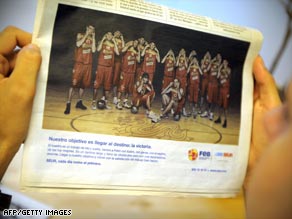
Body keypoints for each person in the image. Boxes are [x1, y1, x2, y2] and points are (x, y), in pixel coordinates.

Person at [0, 27, 291, 218]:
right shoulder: (138, 67)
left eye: (289, 115)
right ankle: (88, 104)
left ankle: (173, 112)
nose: (271, 120)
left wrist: (2, 142)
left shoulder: (172, 76)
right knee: (125, 92)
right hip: (111, 75)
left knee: (174, 99)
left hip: (163, 97)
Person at [64, 25, 96, 114]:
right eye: (89, 28)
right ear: (86, 28)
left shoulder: (92, 38)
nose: (91, 30)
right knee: (73, 85)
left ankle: (79, 102)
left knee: (83, 85)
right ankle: (68, 104)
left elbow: (93, 50)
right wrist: (86, 34)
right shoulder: (80, 35)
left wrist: (94, 37)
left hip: (88, 65)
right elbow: (78, 44)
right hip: (79, 64)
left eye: (92, 29)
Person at [91, 32, 119, 110]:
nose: (110, 36)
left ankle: (106, 102)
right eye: (108, 35)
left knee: (107, 87)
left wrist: (115, 42)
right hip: (101, 66)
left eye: (111, 35)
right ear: (106, 36)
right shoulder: (102, 42)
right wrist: (103, 39)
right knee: (96, 85)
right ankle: (93, 102)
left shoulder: (113, 45)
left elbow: (117, 52)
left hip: (109, 68)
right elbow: (98, 49)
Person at [116, 40, 140, 110]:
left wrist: (139, 51)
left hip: (131, 73)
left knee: (128, 89)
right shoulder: (127, 49)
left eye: (136, 43)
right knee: (121, 88)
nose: (135, 44)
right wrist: (128, 44)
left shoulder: (135, 52)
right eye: (134, 42)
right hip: (125, 72)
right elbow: (122, 51)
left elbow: (138, 60)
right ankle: (118, 102)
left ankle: (125, 101)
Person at [214, 59, 231, 128]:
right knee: (220, 105)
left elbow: (227, 76)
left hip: (226, 90)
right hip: (221, 89)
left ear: (227, 63)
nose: (223, 63)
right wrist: (220, 68)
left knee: (225, 107)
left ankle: (225, 121)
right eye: (223, 62)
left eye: (225, 62)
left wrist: (223, 70)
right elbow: (218, 76)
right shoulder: (221, 70)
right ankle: (219, 118)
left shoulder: (228, 69)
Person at [112, 30, 125, 105]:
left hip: (118, 62)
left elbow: (123, 48)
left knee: (115, 80)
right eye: (116, 32)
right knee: (108, 80)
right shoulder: (111, 39)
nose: (118, 34)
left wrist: (122, 39)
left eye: (119, 33)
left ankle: (115, 97)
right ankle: (104, 97)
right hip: (110, 61)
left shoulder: (120, 40)